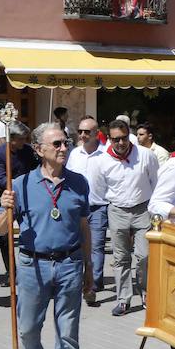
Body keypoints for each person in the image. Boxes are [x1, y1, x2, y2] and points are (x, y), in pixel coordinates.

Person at [0, 121, 93, 349]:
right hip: (31, 265)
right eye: (58, 144)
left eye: (66, 142)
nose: (65, 148)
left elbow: (84, 227)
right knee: (28, 328)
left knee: (68, 333)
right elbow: (0, 230)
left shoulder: (79, 183)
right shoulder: (21, 185)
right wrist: (5, 208)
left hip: (69, 264)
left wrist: (89, 268)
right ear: (39, 150)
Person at [88, 119, 158, 317]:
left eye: (124, 138)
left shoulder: (145, 155)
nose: (121, 143)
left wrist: (154, 209)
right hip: (117, 210)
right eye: (116, 139)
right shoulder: (101, 160)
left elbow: (156, 182)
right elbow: (100, 189)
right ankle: (123, 299)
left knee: (144, 256)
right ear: (109, 139)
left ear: (130, 136)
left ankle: (145, 293)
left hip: (143, 209)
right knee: (121, 258)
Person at [65, 115, 107, 306]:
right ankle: (78, 281)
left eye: (86, 132)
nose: (82, 135)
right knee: (77, 246)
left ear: (96, 133)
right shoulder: (73, 154)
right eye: (80, 131)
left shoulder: (106, 154)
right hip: (76, 208)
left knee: (96, 246)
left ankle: (92, 286)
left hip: (98, 207)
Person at [0, 121, 37, 282]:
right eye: (22, 139)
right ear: (13, 138)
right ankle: (11, 272)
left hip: (28, 196)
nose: (24, 142)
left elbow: (36, 170)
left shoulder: (28, 151)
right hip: (6, 198)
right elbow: (0, 179)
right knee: (5, 236)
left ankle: (31, 269)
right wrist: (18, 185)